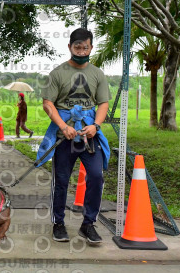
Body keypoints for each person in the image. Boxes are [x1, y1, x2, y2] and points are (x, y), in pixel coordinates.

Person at [40, 28, 110, 245]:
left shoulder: (97, 74)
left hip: (88, 136)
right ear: (69, 47)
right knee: (61, 180)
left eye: (85, 47)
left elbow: (103, 103)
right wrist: (62, 126)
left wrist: (96, 126)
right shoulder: (57, 73)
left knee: (96, 177)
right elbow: (48, 104)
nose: (81, 51)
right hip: (65, 137)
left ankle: (88, 224)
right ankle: (58, 223)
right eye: (77, 47)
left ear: (91, 47)